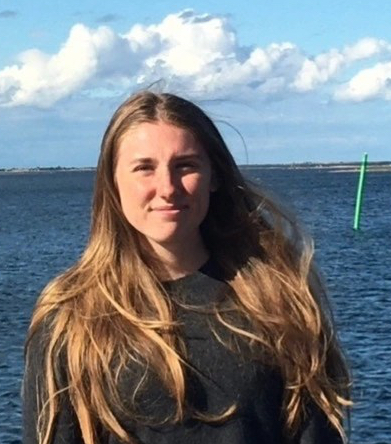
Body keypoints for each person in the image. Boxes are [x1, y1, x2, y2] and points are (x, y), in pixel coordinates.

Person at [23, 91, 351, 444]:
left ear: (214, 177)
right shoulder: (73, 317)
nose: (167, 188)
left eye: (186, 166)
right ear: (113, 182)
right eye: (144, 168)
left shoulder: (278, 299)